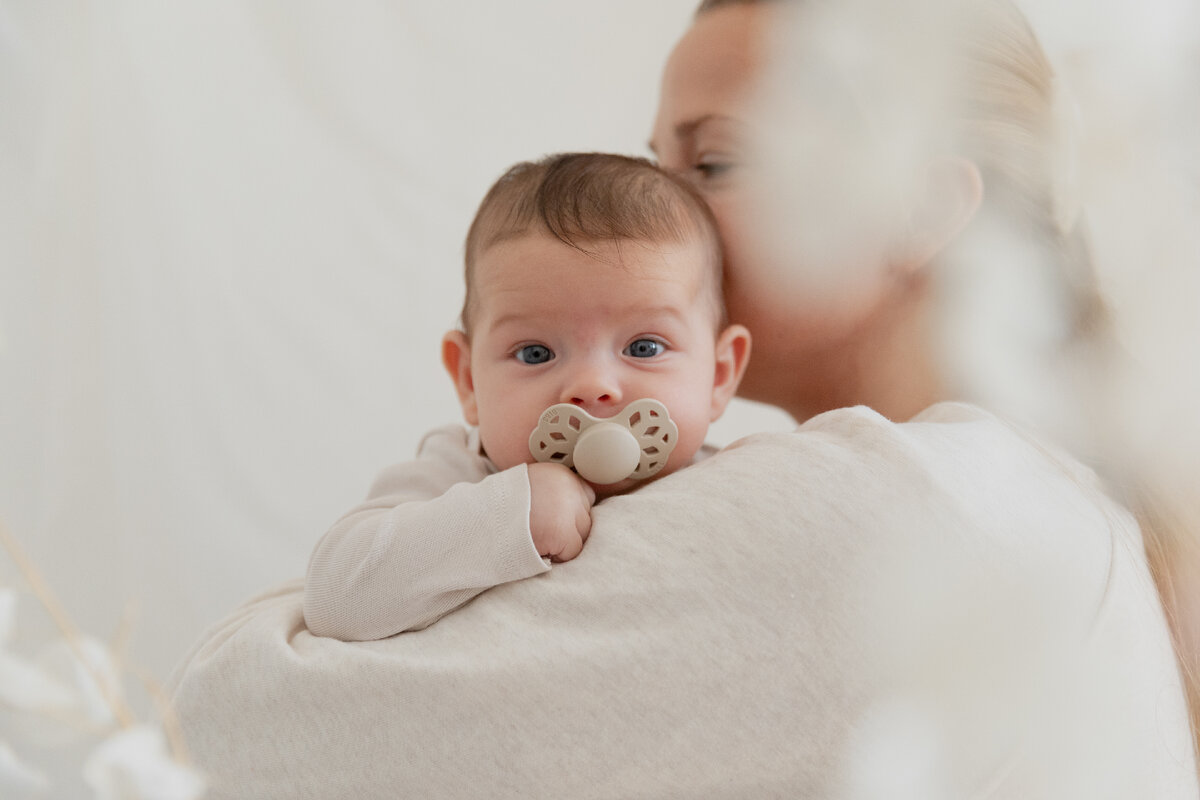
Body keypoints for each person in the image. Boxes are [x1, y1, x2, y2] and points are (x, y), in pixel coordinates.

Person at [168, 0, 1199, 796]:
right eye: (658, 158)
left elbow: (220, 728)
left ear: (922, 202)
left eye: (712, 160)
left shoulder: (888, 507)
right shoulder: (1020, 492)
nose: (657, 210)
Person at [303, 152, 751, 640]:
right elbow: (334, 598)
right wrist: (508, 518)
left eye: (644, 347)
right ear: (469, 381)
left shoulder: (733, 485)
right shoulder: (458, 473)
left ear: (719, 375)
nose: (592, 385)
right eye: (535, 353)